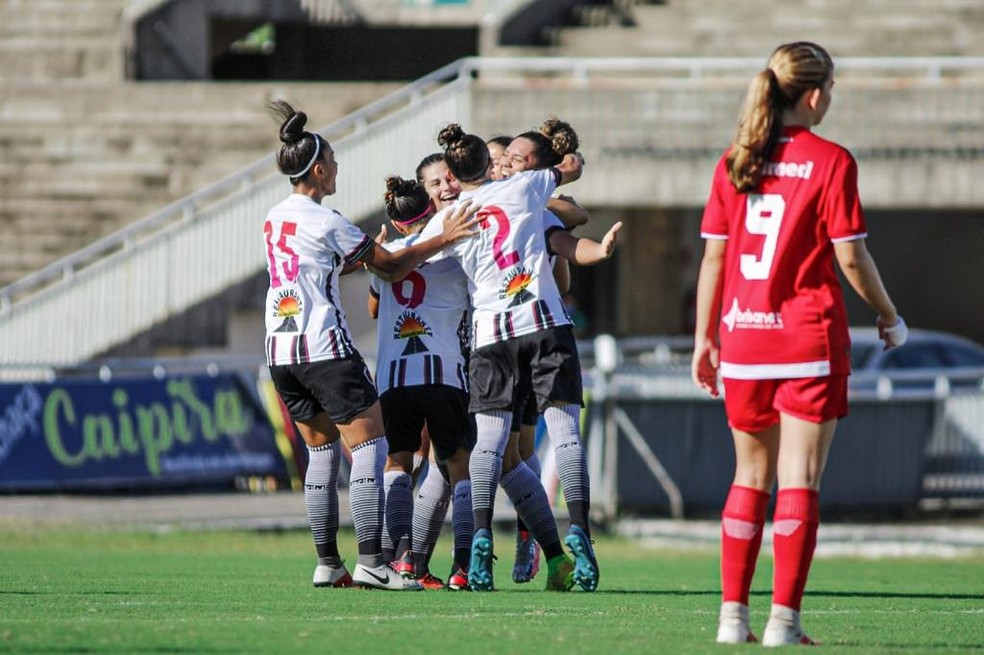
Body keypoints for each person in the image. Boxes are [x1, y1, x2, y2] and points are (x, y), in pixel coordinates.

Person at [690, 42, 907, 646]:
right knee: (799, 479)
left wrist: (704, 339)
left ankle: (732, 619)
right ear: (813, 94)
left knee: (748, 477)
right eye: (829, 89)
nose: (829, 99)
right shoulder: (832, 160)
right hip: (807, 341)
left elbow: (714, 256)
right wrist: (889, 315)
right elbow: (851, 257)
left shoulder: (735, 160)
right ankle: (784, 620)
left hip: (743, 339)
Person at [261, 100, 479, 591]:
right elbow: (393, 266)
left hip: (280, 351)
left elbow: (317, 267)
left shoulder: (274, 219)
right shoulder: (328, 220)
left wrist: (364, 257)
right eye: (333, 161)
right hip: (324, 347)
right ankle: (372, 561)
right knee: (372, 445)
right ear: (318, 169)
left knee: (320, 455)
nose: (337, 168)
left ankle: (327, 562)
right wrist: (440, 237)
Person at [419, 123, 613, 593]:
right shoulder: (528, 188)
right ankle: (580, 534)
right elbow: (572, 173)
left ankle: (482, 537)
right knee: (563, 431)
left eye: (514, 157)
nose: (506, 162)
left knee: (489, 443)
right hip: (544, 325)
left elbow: (410, 260)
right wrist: (557, 159)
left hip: (490, 337)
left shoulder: (452, 216)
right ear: (488, 165)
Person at [497, 118, 621, 584]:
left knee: (527, 444)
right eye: (500, 158)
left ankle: (565, 537)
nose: (505, 164)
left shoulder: (526, 205)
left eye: (514, 158)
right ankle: (549, 537)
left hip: (515, 334)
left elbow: (568, 241)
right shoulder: (502, 200)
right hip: (507, 335)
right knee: (503, 450)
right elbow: (573, 188)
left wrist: (598, 251)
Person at [369, 174, 476, 591]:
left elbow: (375, 307)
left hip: (394, 377)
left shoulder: (384, 258)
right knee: (458, 469)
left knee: (398, 463)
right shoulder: (454, 253)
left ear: (396, 223)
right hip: (445, 373)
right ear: (430, 211)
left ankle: (402, 560)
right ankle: (464, 567)